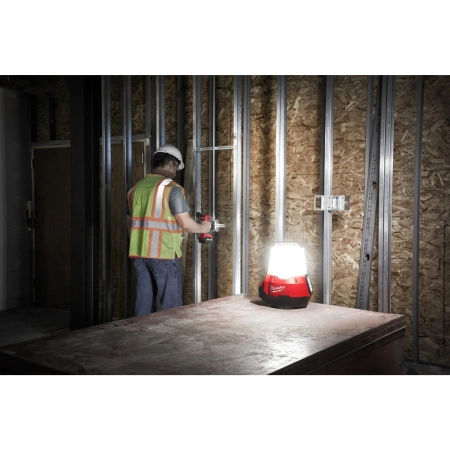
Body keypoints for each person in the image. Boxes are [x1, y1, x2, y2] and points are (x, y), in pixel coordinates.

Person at [127, 144, 210, 316]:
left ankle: (139, 333)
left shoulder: (135, 189)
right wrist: (204, 227)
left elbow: (130, 223)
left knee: (143, 306)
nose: (175, 173)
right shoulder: (172, 188)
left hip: (140, 255)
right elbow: (185, 224)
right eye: (176, 168)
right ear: (171, 164)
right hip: (163, 254)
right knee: (171, 308)